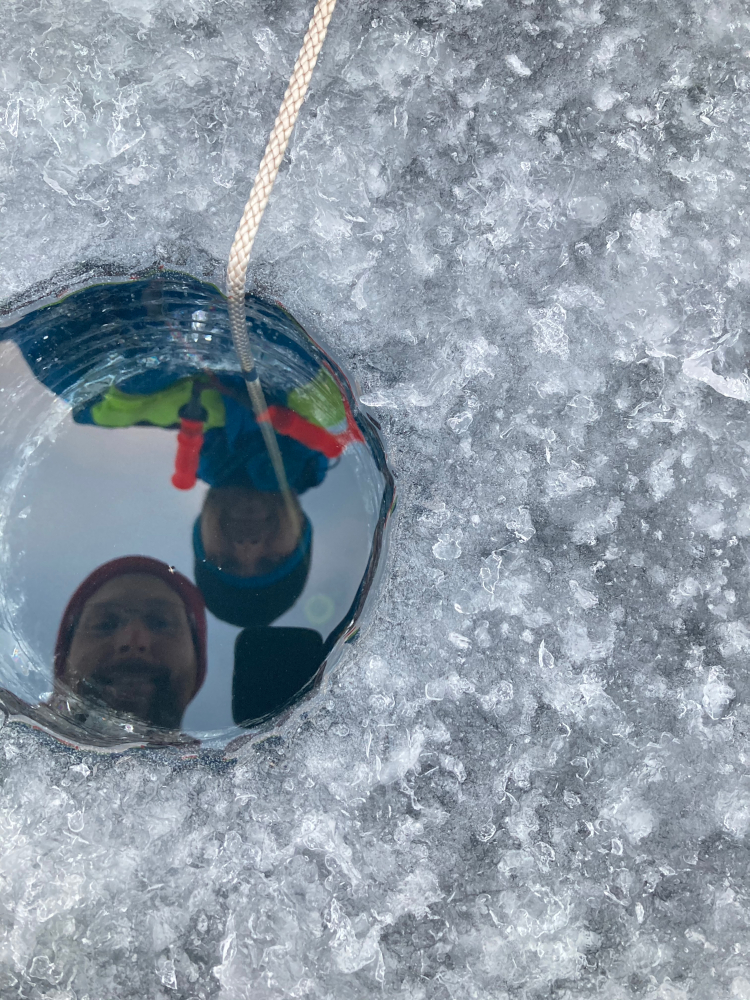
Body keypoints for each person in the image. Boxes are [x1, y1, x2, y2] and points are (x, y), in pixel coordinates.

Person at [5, 275, 364, 628]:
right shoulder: (342, 418)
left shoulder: (109, 409)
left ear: (201, 533)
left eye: (223, 560)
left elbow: (29, 316)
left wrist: (139, 355)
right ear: (302, 534)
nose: (248, 545)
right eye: (272, 560)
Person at [51, 556, 207, 733]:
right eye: (105, 624)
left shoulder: (237, 759)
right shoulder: (14, 734)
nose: (133, 642)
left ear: (197, 663)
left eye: (160, 623)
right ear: (63, 661)